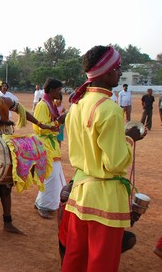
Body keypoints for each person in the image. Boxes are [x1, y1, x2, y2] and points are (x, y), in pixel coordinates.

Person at [63, 45, 146, 271]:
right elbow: (115, 163)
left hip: (79, 194)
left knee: (75, 259)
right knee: (102, 263)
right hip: (106, 198)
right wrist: (129, 138)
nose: (120, 73)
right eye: (118, 69)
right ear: (107, 72)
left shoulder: (76, 106)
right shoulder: (109, 109)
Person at [0, 79, 57, 249]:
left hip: (8, 150)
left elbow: (23, 112)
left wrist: (41, 124)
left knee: (6, 189)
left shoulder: (5, 102)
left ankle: (7, 223)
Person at [33, 78, 67, 219]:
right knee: (50, 176)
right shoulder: (42, 105)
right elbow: (39, 128)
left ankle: (48, 203)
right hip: (45, 145)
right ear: (51, 90)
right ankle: (43, 205)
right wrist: (59, 121)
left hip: (51, 145)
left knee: (56, 175)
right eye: (58, 90)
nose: (60, 93)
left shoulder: (50, 104)